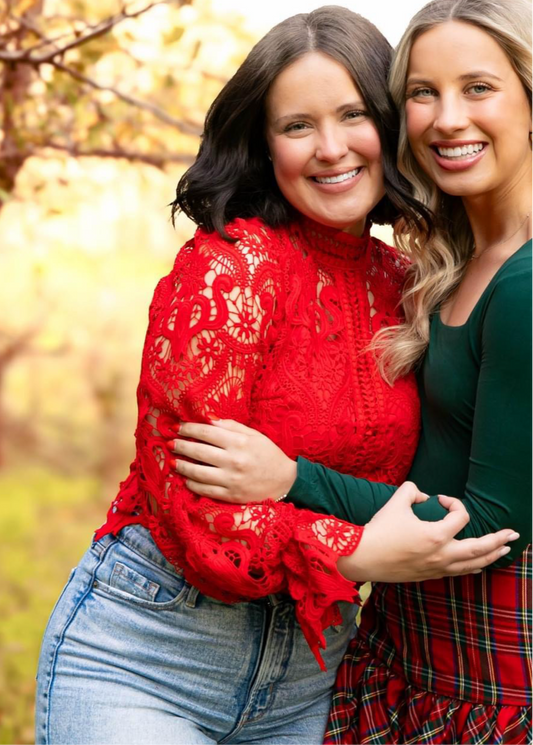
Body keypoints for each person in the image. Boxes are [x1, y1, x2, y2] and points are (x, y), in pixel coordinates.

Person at [35, 6, 515, 745]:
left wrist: (293, 479)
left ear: (388, 128)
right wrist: (354, 552)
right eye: (296, 126)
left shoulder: (410, 285)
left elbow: (434, 481)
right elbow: (195, 509)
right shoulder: (228, 268)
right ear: (263, 144)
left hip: (311, 674)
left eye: (353, 114)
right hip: (151, 652)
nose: (329, 149)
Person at [168, 0, 533, 741]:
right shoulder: (438, 265)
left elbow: (490, 524)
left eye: (478, 87)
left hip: (482, 679)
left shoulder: (524, 286)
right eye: (422, 94)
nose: (445, 118)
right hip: (388, 656)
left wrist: (289, 478)